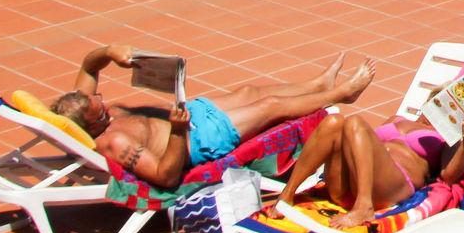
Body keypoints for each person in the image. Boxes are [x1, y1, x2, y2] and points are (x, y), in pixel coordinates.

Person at [48, 45, 372, 190]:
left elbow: (89, 67)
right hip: (196, 139)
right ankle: (340, 95)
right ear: (91, 125)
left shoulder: (78, 108)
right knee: (270, 105)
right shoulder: (115, 142)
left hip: (195, 115)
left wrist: (109, 53)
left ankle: (318, 85)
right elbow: (165, 176)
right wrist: (176, 131)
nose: (104, 101)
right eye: (100, 109)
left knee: (249, 91)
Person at [277, 100, 464, 228]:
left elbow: (449, 176)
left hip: (391, 186)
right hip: (351, 184)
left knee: (355, 122)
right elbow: (362, 142)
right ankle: (287, 195)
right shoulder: (397, 119)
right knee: (335, 122)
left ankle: (364, 206)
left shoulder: (446, 138)